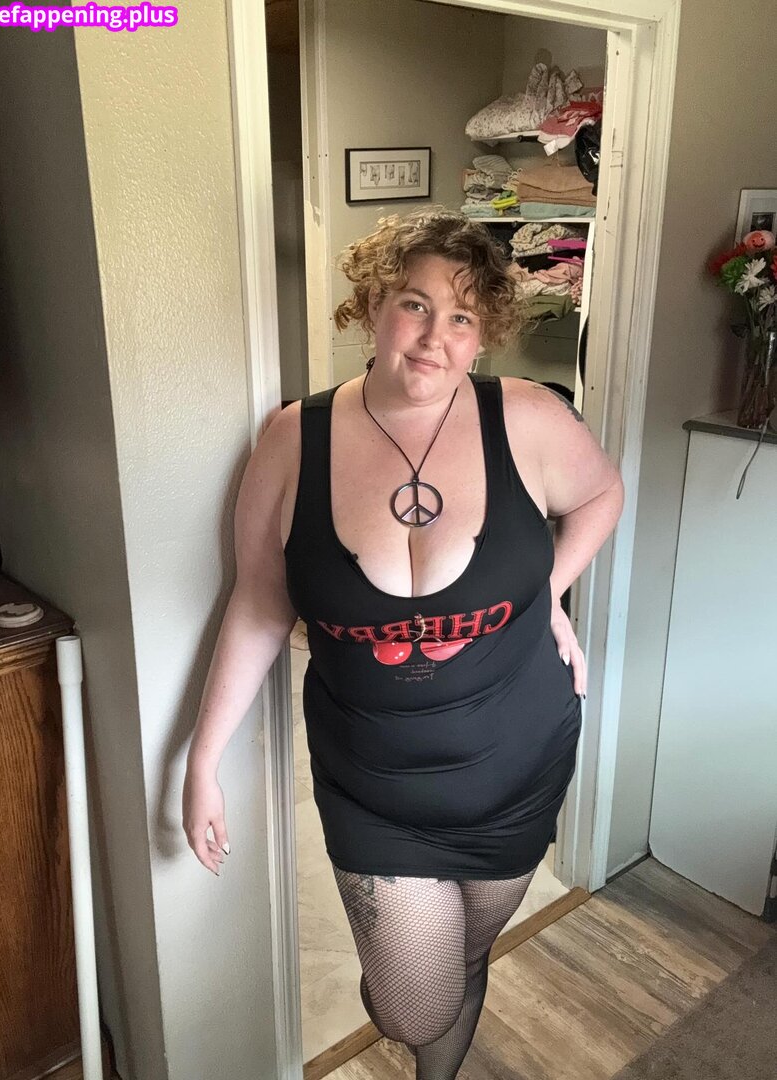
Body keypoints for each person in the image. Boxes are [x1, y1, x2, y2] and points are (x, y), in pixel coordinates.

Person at [183, 208, 624, 1078]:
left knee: (466, 960)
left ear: (484, 332)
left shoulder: (527, 417)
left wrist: (544, 592)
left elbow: (600, 495)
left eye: (462, 317)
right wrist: (202, 758)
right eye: (416, 305)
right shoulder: (292, 439)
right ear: (374, 303)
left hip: (516, 763)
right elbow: (260, 603)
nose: (434, 337)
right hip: (374, 785)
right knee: (409, 1003)